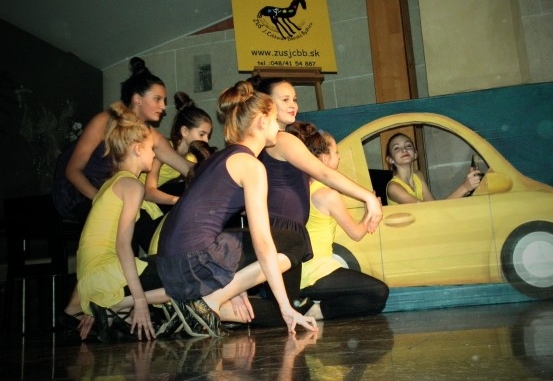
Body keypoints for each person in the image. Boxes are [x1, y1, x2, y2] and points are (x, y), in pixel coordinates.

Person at [156, 80, 319, 337]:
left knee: (274, 248)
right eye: (274, 120)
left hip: (169, 264)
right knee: (295, 240)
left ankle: (203, 305)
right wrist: (286, 307)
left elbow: (211, 221)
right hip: (194, 261)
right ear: (261, 121)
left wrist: (237, 287)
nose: (278, 127)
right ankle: (209, 303)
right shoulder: (251, 166)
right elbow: (262, 243)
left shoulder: (223, 156)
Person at [54, 57, 191, 332]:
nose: (163, 106)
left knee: (156, 229)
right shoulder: (105, 121)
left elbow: (188, 168)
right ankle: (94, 305)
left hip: (122, 195)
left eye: (164, 100)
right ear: (137, 99)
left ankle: (124, 303)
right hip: (84, 193)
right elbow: (73, 170)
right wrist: (102, 201)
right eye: (158, 99)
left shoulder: (149, 136)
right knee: (124, 231)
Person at [248, 76, 383, 313]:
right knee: (280, 312)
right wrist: (368, 197)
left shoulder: (271, 141)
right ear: (267, 103)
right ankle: (217, 308)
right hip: (283, 234)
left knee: (283, 310)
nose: (293, 105)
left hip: (284, 233)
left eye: (295, 99)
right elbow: (324, 172)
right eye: (285, 99)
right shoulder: (282, 140)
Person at [76, 101, 170, 342]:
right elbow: (122, 245)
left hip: (92, 280)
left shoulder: (112, 183)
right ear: (138, 149)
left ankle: (108, 307)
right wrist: (139, 300)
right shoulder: (132, 185)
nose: (154, 154)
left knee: (177, 276)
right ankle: (116, 305)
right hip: (105, 274)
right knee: (186, 275)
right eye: (152, 149)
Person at [292, 121, 389, 320]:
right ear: (325, 159)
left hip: (302, 273)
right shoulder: (327, 195)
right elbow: (357, 233)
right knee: (379, 293)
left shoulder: (303, 188)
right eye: (336, 152)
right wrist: (369, 212)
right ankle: (316, 310)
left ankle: (312, 304)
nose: (339, 157)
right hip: (314, 274)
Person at [141, 91, 213, 212]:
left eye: (208, 136)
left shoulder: (191, 157)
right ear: (184, 131)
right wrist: (178, 201)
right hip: (139, 196)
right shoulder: (162, 150)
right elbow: (148, 191)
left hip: (158, 197)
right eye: (202, 134)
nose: (206, 140)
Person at [385, 132, 481, 204]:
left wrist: (467, 188)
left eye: (408, 145)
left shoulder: (418, 175)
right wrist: (465, 188)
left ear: (415, 154)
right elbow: (430, 210)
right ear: (390, 159)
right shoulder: (393, 188)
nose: (404, 149)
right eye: (397, 148)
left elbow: (432, 205)